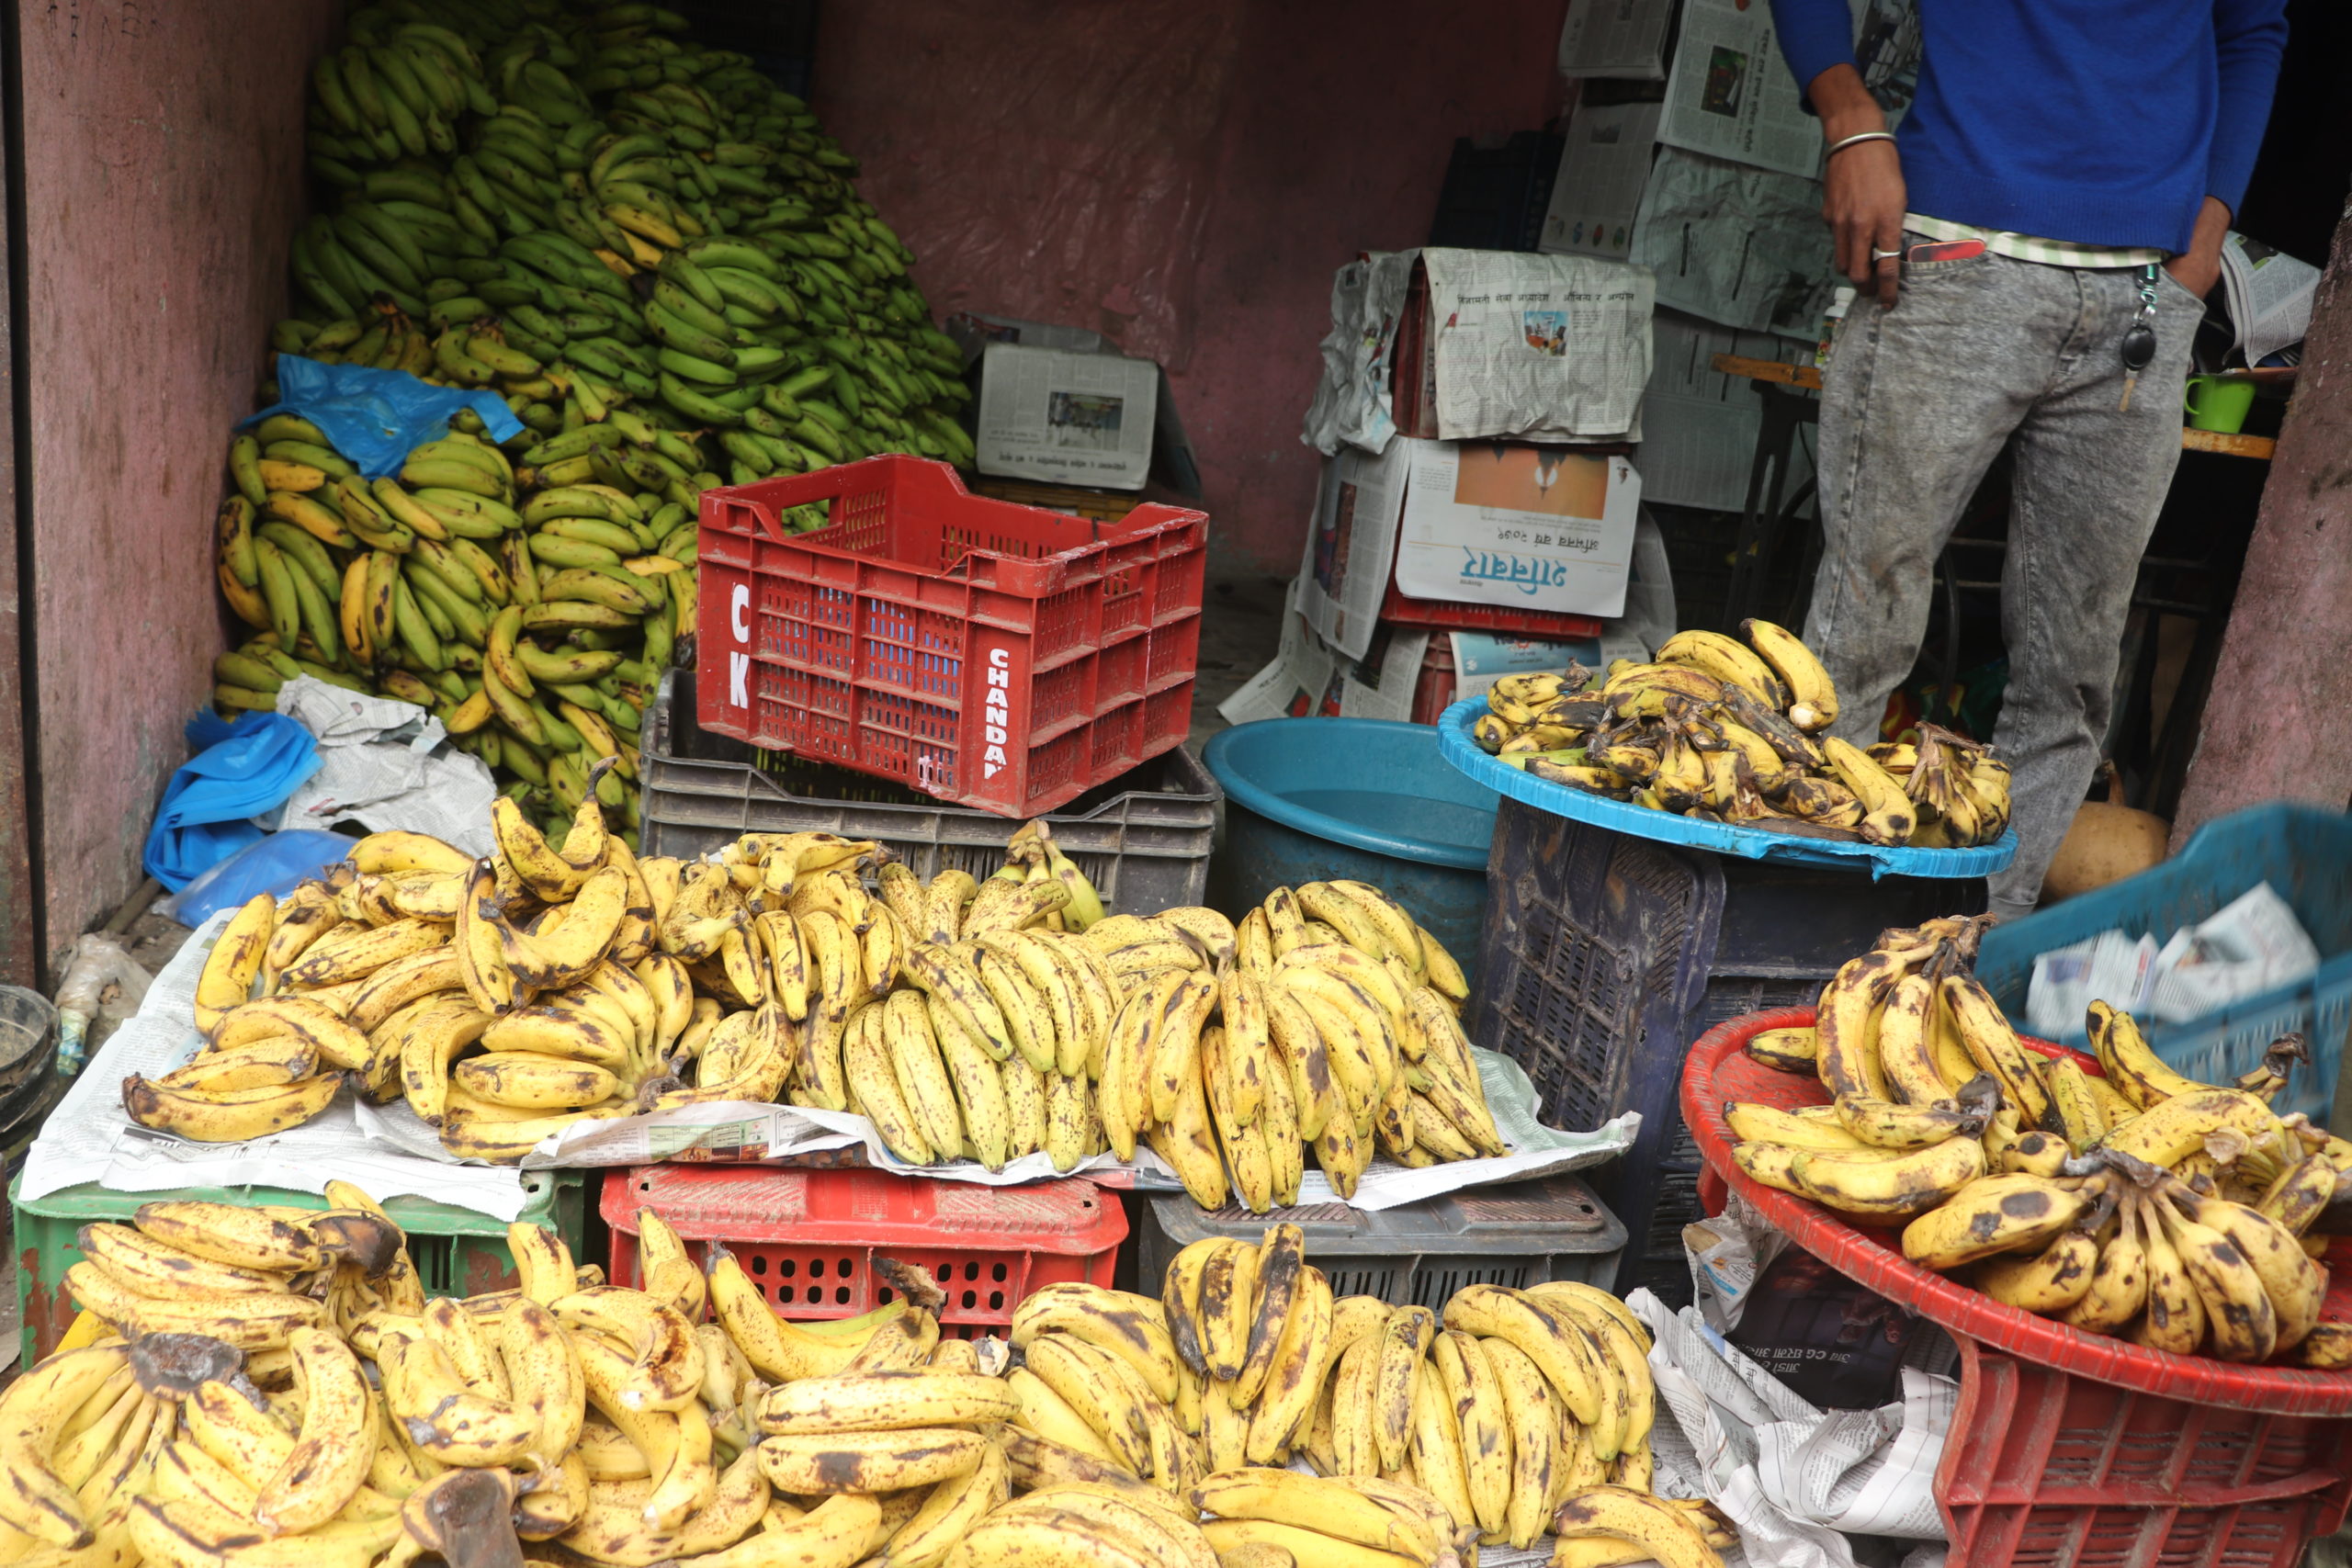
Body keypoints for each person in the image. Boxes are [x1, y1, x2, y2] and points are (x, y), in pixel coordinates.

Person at [1767, 0, 2288, 919]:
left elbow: (2251, 28)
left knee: (2072, 678)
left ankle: (1960, 961)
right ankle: (1793, 933)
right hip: (1954, 258)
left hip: (2141, 298)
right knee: (1859, 631)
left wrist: (2202, 242)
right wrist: (1845, 112)